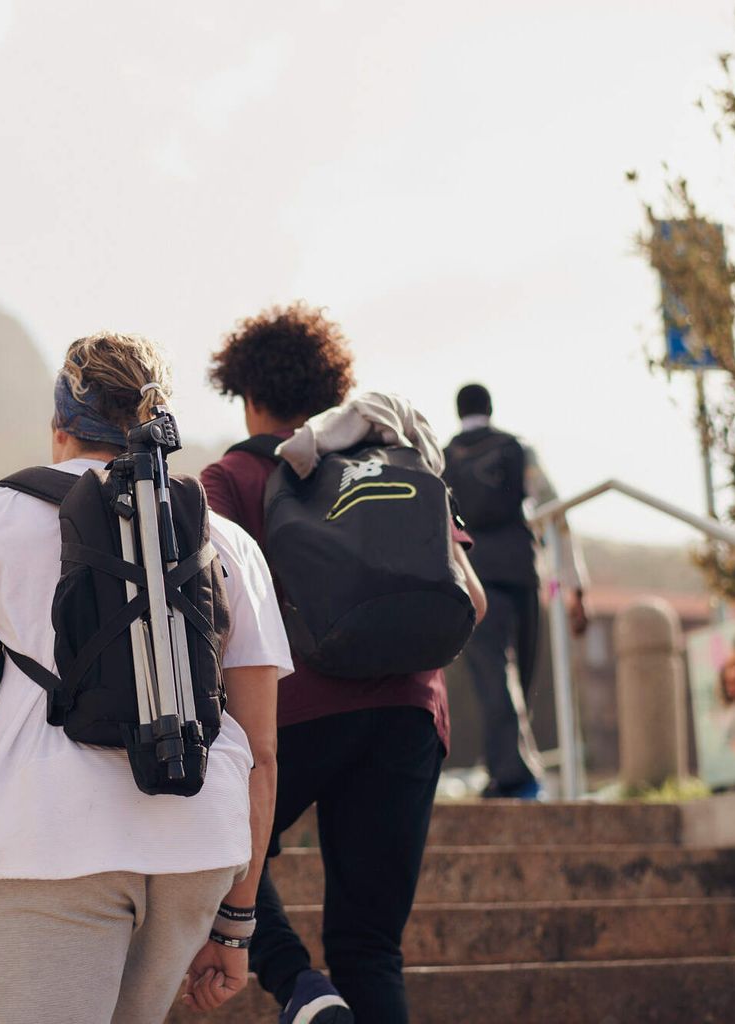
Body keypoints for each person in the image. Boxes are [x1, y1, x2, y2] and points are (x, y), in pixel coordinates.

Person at [0, 332, 290, 1024]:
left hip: (56, 841)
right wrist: (236, 923)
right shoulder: (225, 538)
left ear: (60, 428)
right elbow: (262, 752)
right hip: (199, 845)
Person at [201, 304, 486, 1024]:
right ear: (331, 390)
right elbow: (472, 601)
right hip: (407, 715)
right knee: (369, 945)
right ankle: (329, 988)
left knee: (213, 851)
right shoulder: (386, 461)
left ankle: (301, 988)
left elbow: (207, 607)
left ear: (249, 398)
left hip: (290, 714)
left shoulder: (233, 478)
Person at [443, 383, 588, 800]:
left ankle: (512, 773)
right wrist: (574, 584)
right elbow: (553, 510)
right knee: (520, 675)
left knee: (494, 674)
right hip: (522, 572)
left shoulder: (443, 457)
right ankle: (512, 771)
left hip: (472, 575)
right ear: (490, 408)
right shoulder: (517, 449)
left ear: (460, 411)